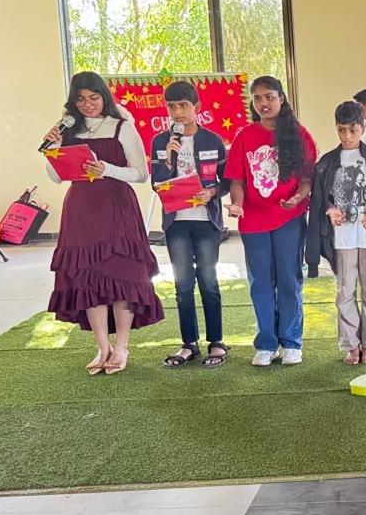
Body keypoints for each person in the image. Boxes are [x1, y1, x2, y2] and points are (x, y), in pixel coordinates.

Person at [43, 71, 163, 375]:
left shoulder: (122, 127)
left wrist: (107, 169)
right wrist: (53, 149)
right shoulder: (68, 129)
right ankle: (102, 347)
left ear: (104, 97)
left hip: (117, 208)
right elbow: (56, 176)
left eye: (94, 97)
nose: (88, 104)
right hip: (81, 211)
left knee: (123, 275)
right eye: (80, 99)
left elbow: (141, 174)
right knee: (88, 279)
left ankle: (122, 346)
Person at [224, 76, 317, 368]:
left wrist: (298, 198)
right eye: (258, 98)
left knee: (289, 279)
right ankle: (266, 343)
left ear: (281, 99)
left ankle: (291, 341)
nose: (264, 103)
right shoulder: (244, 136)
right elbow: (236, 181)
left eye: (269, 97)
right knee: (261, 283)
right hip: (253, 222)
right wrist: (238, 204)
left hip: (289, 219)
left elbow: (307, 179)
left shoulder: (299, 134)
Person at [305, 101, 366, 365]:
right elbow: (319, 201)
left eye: (353, 130)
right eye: (342, 130)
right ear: (336, 128)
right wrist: (330, 209)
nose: (347, 136)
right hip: (342, 239)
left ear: (362, 127)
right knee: (345, 292)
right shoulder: (326, 164)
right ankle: (351, 344)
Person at [150, 80, 229, 368]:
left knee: (208, 281)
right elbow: (156, 183)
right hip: (176, 224)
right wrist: (169, 161)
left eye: (183, 106)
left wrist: (212, 192)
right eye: (171, 107)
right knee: (183, 285)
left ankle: (216, 342)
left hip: (206, 222)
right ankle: (189, 344)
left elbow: (227, 181)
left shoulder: (213, 140)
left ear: (196, 107)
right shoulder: (160, 142)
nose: (178, 113)